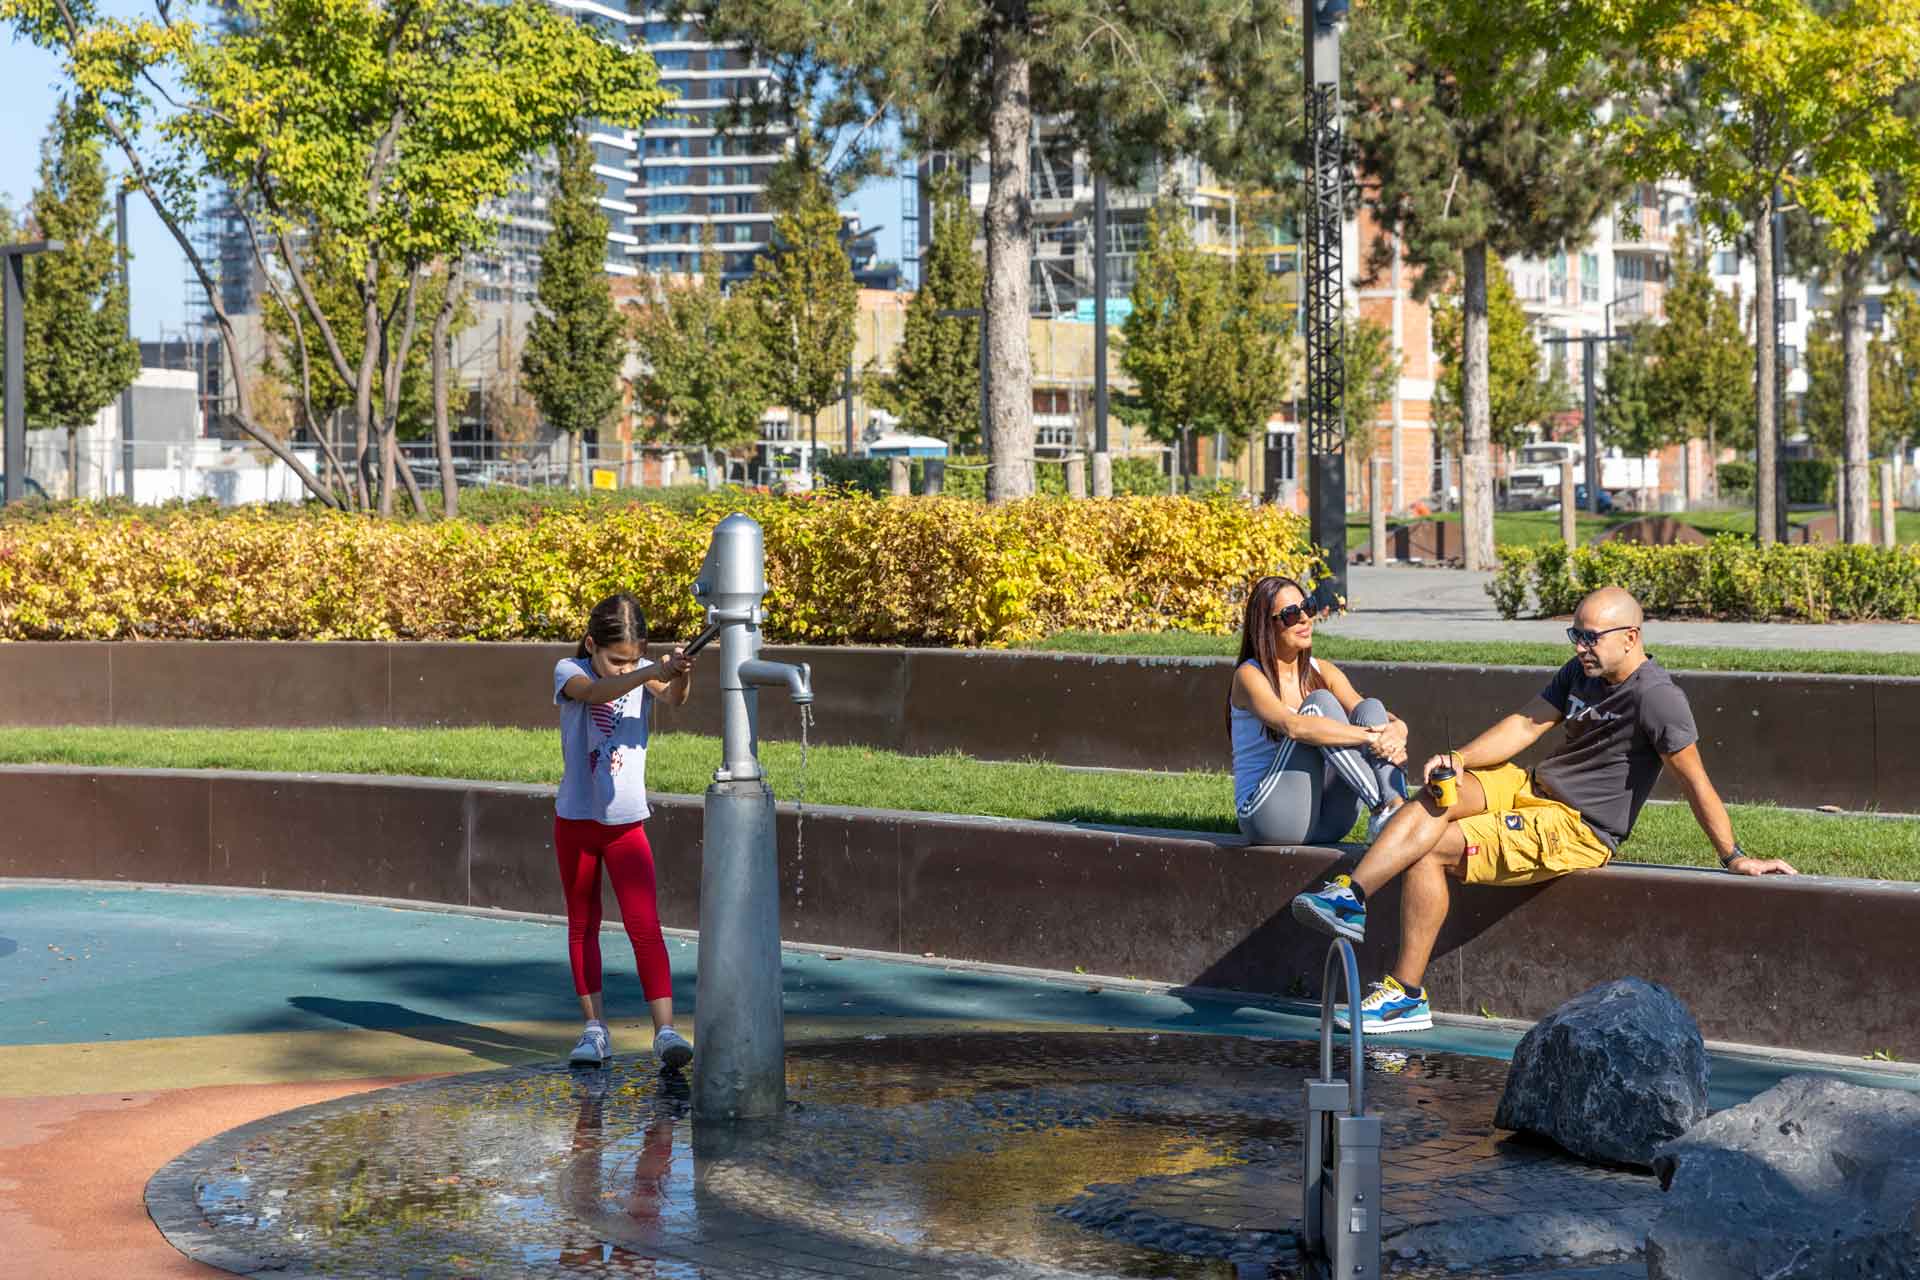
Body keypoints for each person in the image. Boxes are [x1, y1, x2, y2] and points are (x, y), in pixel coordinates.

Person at [1291, 586, 1798, 1034]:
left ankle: (1405, 996)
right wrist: (1460, 759)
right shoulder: (1581, 672)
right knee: (1441, 793)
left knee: (1431, 850)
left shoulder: (1658, 699)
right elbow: (1526, 725)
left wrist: (1734, 856)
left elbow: (1695, 782)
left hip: (1576, 826)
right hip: (1532, 789)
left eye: (1591, 636)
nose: (1581, 646)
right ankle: (1352, 896)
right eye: (1575, 634)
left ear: (1631, 637)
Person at [553, 592, 698, 1071]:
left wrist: (678, 676)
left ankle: (665, 1031)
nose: (622, 669)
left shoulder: (642, 674)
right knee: (583, 923)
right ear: (592, 645)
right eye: (615, 660)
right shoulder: (569, 671)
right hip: (577, 821)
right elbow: (595, 695)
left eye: (631, 660)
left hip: (626, 824)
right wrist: (650, 670)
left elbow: (674, 699)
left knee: (646, 927)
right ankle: (594, 1031)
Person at [1231, 575, 1410, 847]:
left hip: (1326, 820)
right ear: (1266, 626)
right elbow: (1295, 726)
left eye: (1308, 607)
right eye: (1291, 614)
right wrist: (1370, 737)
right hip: (1269, 818)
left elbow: (1376, 717)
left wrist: (1397, 730)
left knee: (1370, 706)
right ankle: (1391, 813)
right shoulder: (1249, 676)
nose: (1304, 619)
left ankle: (1398, 806)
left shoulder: (1322, 670)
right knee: (1318, 706)